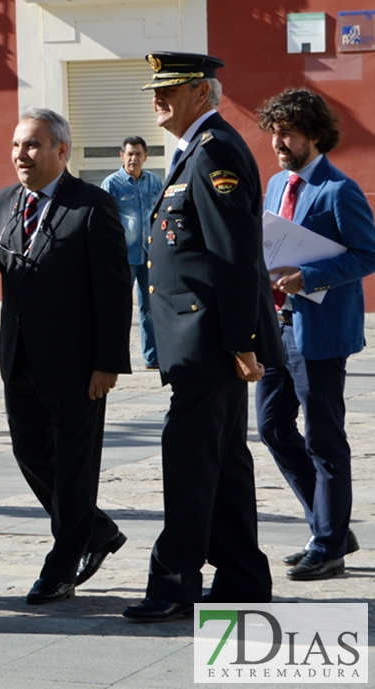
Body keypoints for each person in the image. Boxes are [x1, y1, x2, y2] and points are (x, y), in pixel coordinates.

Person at [123, 53, 285, 622]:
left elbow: (233, 256)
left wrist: (242, 341)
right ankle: (242, 575)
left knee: (190, 462)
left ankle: (174, 584)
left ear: (200, 92)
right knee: (222, 460)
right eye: (155, 90)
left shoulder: (213, 150)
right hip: (199, 337)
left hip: (210, 340)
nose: (157, 99)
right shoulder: (196, 147)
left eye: (169, 89)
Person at [0, 108, 132, 606]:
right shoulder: (1, 202)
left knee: (75, 467)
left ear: (61, 151)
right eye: (15, 146)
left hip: (78, 365)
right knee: (30, 453)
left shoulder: (92, 206)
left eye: (31, 145)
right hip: (20, 359)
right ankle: (96, 531)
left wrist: (108, 362)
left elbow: (115, 290)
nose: (20, 155)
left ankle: (61, 565)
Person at [254, 88, 375, 581]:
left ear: (315, 134)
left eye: (288, 133)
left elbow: (367, 255)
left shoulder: (338, 190)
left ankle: (328, 544)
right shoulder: (275, 184)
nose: (279, 142)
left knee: (324, 438)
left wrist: (309, 276)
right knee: (272, 427)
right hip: (277, 329)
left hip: (320, 332)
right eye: (275, 133)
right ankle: (330, 526)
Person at [101, 137, 163, 369]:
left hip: (150, 256)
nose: (133, 159)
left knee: (149, 307)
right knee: (117, 308)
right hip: (122, 258)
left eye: (138, 154)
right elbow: (103, 223)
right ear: (122, 156)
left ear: (146, 156)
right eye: (129, 154)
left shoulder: (155, 183)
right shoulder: (111, 184)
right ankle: (112, 357)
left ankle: (152, 357)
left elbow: (161, 216)